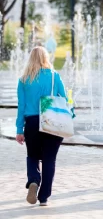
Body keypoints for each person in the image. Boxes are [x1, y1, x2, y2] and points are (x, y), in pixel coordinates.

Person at [15, 46, 67, 206]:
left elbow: (21, 106)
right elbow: (64, 99)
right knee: (49, 159)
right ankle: (44, 197)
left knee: (32, 156)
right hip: (51, 120)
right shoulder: (54, 76)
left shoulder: (23, 80)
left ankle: (33, 181)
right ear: (46, 58)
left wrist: (19, 130)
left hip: (31, 122)